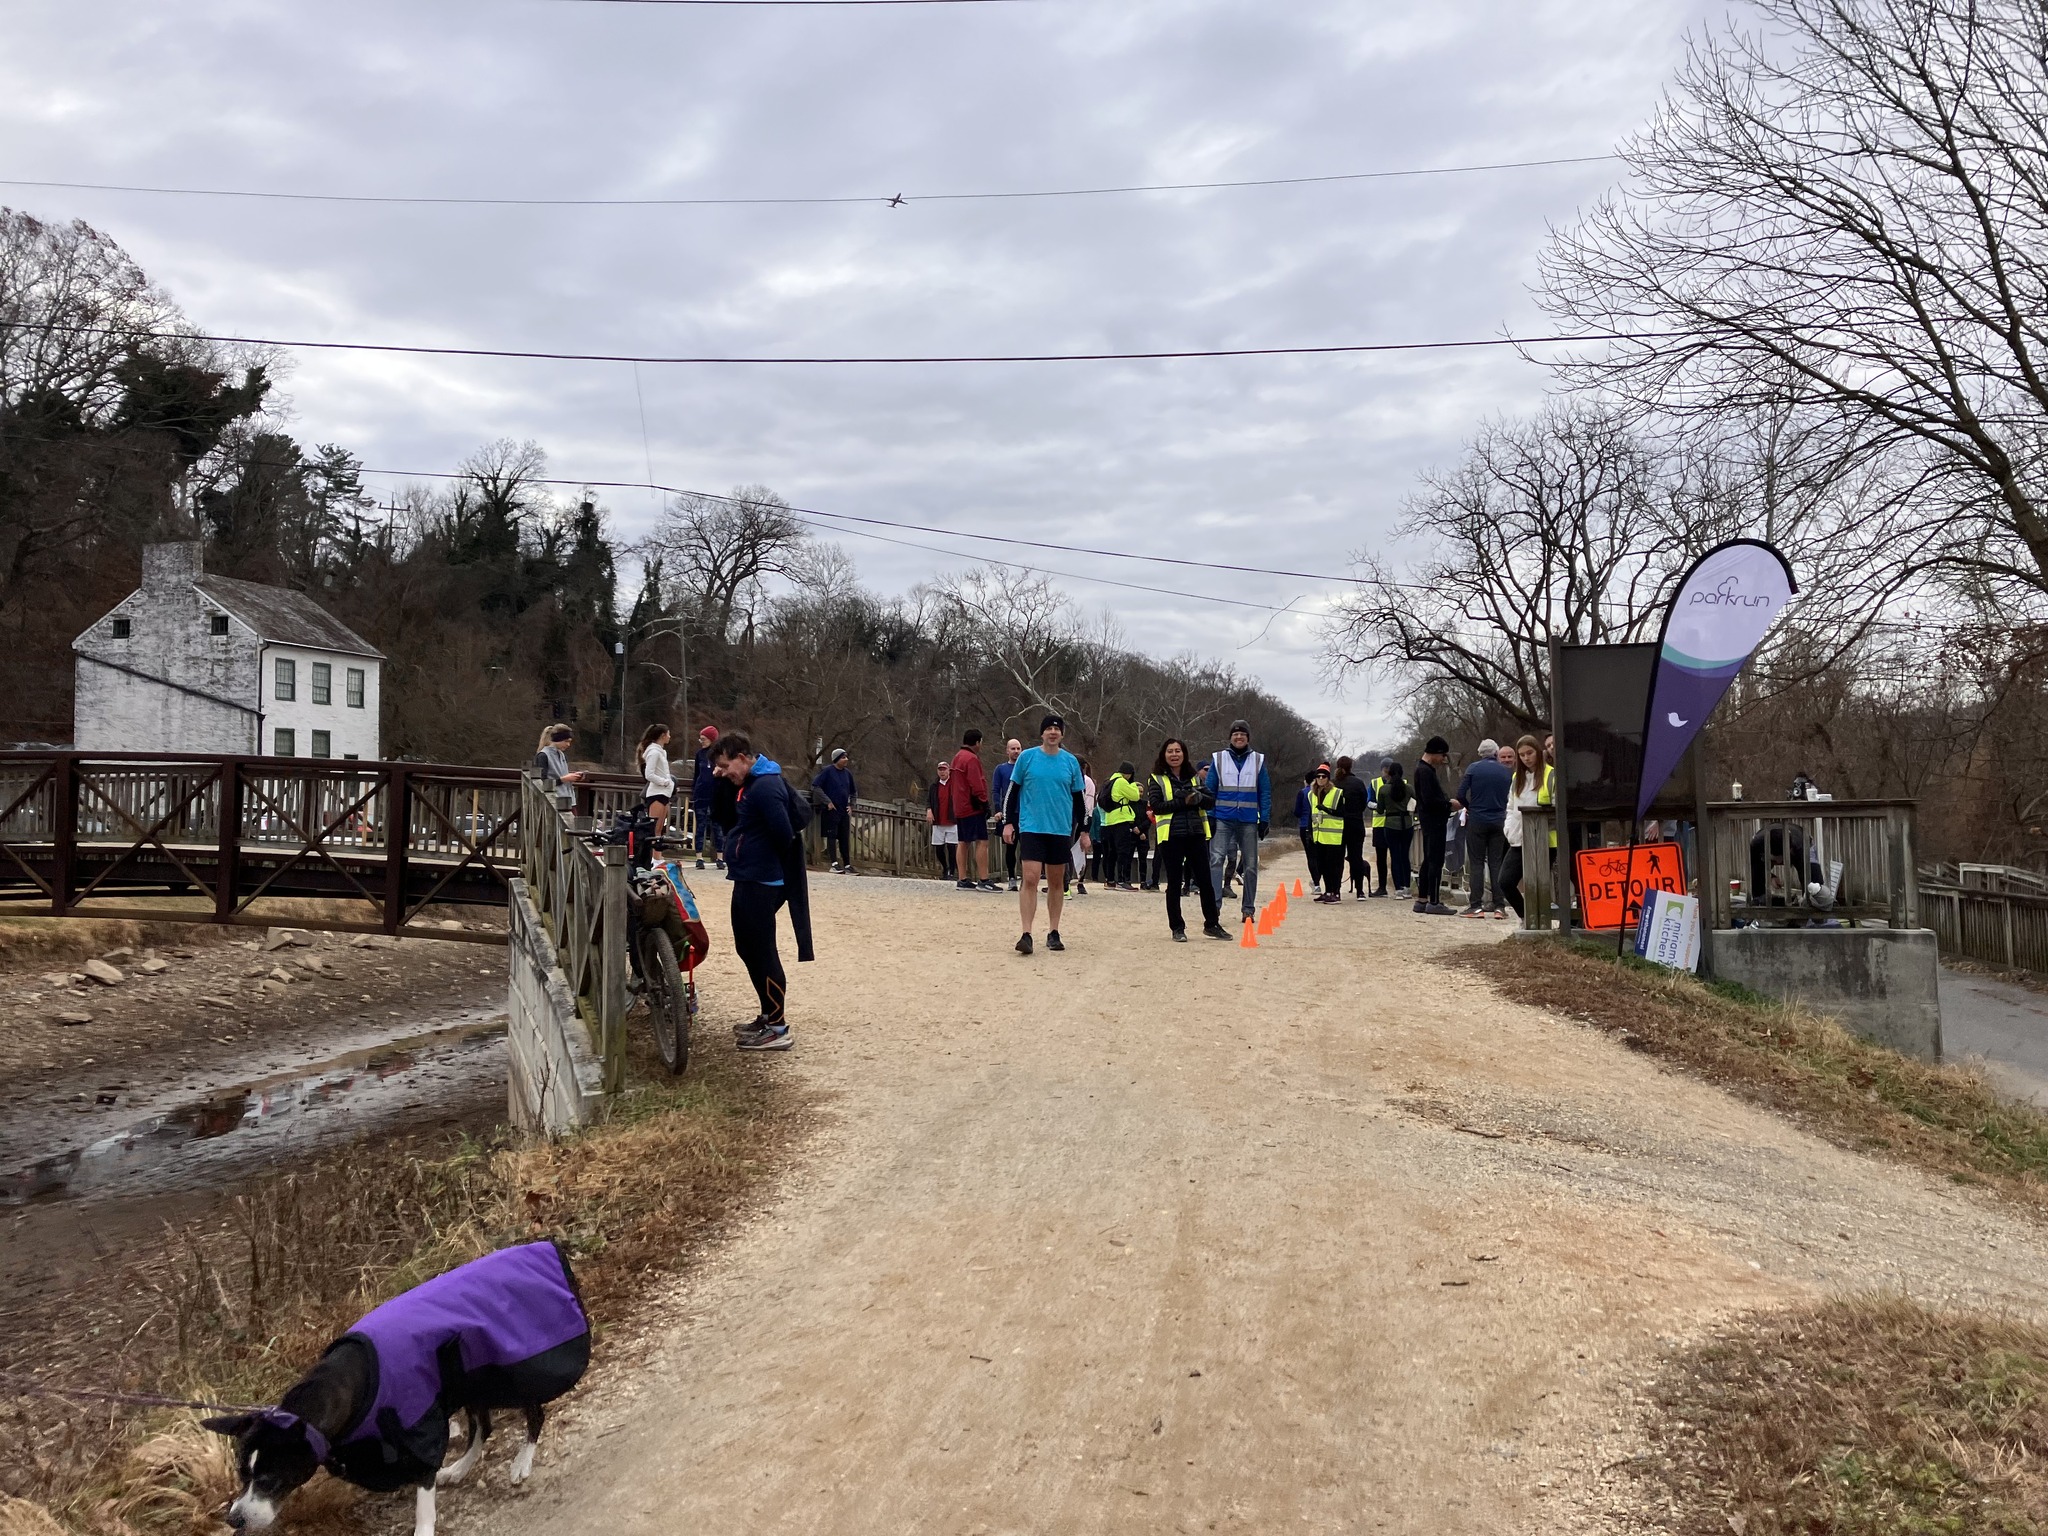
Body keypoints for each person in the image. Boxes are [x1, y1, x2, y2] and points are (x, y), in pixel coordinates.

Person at [712, 731, 814, 1051]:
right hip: (746, 877)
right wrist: (718, 778)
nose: (725, 772)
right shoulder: (748, 785)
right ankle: (768, 1015)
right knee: (746, 948)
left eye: (727, 765)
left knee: (763, 951)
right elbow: (726, 815)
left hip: (762, 882)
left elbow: (784, 834)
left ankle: (778, 1028)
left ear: (743, 758)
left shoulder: (767, 786)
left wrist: (760, 858)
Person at [1002, 714, 1089, 955]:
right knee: (1030, 878)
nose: (1053, 732)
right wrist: (1009, 823)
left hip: (1060, 829)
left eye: (1057, 729)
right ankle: (1026, 933)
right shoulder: (1027, 758)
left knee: (1055, 881)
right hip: (1031, 827)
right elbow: (1012, 792)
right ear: (1042, 733)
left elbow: (1079, 801)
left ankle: (1053, 931)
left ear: (1062, 734)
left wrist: (1084, 831)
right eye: (1048, 728)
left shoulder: (1070, 762)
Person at [1148, 738, 1228, 941]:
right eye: (1170, 751)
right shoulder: (1156, 778)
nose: (1174, 755)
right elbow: (1157, 807)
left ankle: (1212, 924)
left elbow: (1210, 801)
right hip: (1171, 835)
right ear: (1163, 755)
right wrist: (1182, 801)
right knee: (1174, 882)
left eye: (1178, 751)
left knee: (1205, 881)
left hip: (1196, 833)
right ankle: (1177, 927)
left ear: (1184, 754)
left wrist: (1198, 798)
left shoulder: (1195, 777)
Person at [1207, 719, 1271, 924]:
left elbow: (1265, 792)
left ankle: (1248, 910)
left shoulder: (1258, 760)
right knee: (1216, 861)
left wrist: (1265, 818)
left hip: (1248, 820)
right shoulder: (1218, 759)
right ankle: (1214, 907)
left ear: (1248, 737)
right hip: (1222, 818)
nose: (1239, 737)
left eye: (1242, 734)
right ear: (1230, 737)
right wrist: (1210, 816)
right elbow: (1209, 790)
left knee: (1251, 865)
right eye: (1235, 734)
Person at [1453, 737, 1513, 917]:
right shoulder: (1505, 772)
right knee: (1496, 863)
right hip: (1499, 820)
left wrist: (1469, 807)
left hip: (1477, 819)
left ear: (1480, 753)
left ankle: (1476, 906)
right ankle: (1499, 907)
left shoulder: (1473, 769)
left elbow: (1461, 794)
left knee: (1477, 863)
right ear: (1496, 753)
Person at [1501, 735, 1551, 921]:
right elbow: (1510, 806)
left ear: (1538, 752)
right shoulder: (1517, 777)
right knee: (1505, 881)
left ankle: (1543, 921)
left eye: (1529, 753)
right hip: (1518, 838)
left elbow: (1556, 806)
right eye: (1521, 755)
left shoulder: (1550, 775)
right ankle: (1528, 918)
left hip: (1545, 838)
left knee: (1540, 885)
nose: (1526, 758)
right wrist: (1509, 828)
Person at [949, 729, 997, 891]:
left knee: (963, 842)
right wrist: (984, 803)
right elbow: (976, 783)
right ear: (977, 742)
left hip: (959, 806)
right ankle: (984, 879)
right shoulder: (971, 759)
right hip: (972, 806)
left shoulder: (956, 758)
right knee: (982, 841)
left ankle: (962, 878)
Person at [1413, 736, 1454, 915]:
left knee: (1428, 859)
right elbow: (1430, 799)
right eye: (1442, 755)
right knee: (1436, 860)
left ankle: (1422, 899)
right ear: (1435, 753)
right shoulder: (1425, 772)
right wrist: (1448, 804)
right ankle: (1434, 901)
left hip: (1428, 820)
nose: (1443, 759)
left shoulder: (1422, 770)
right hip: (1434, 820)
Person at [1372, 758, 1413, 897]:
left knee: (1394, 856)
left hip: (1390, 824)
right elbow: (1415, 804)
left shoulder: (1383, 789)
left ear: (1389, 773)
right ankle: (1408, 887)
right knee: (1405, 856)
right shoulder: (1409, 788)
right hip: (1407, 823)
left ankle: (1398, 888)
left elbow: (1380, 809)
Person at [1101, 761, 1144, 889]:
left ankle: (1110, 880)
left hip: (1109, 819)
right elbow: (1135, 796)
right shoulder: (1121, 782)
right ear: (1129, 774)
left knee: (1111, 851)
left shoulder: (1109, 781)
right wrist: (1132, 786)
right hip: (1121, 819)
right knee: (1123, 850)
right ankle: (1122, 880)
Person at [1308, 763, 1346, 901]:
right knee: (1322, 866)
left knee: (1333, 866)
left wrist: (1326, 809)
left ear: (1328, 778)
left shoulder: (1337, 793)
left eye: (1323, 776)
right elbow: (1310, 814)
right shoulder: (1311, 794)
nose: (1320, 778)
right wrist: (1309, 832)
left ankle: (1335, 892)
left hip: (1333, 836)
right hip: (1319, 836)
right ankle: (1327, 891)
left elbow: (1342, 813)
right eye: (1318, 776)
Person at [815, 747, 857, 872]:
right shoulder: (827, 771)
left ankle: (848, 865)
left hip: (844, 809)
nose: (846, 759)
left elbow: (853, 792)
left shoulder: (847, 774)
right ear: (837, 759)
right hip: (831, 809)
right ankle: (834, 863)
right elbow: (816, 786)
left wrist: (852, 805)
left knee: (844, 837)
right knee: (831, 835)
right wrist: (827, 801)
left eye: (846, 757)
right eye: (843, 757)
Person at [1335, 755, 1371, 898]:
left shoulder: (1334, 784)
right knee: (1356, 858)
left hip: (1338, 825)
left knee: (1337, 858)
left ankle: (1336, 890)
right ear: (1351, 767)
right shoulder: (1358, 783)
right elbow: (1364, 804)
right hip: (1356, 824)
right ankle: (1360, 891)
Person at [991, 737, 1023, 891]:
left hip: (1026, 813)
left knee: (1028, 848)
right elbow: (996, 790)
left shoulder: (1026, 768)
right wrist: (998, 809)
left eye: (1018, 748)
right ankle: (1011, 878)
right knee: (1010, 847)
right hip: (1009, 813)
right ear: (1007, 751)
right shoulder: (1001, 769)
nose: (1016, 751)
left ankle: (1027, 878)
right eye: (1013, 749)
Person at [690, 725, 724, 871]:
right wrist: (694, 790)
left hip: (716, 794)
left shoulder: (720, 755)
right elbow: (696, 774)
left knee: (717, 826)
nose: (701, 741)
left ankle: (720, 857)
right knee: (700, 826)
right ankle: (699, 857)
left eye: (704, 739)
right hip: (701, 794)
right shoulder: (700, 754)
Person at [532, 724, 585, 812]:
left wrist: (573, 777)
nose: (568, 745)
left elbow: (561, 775)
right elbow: (541, 783)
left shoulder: (561, 754)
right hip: (553, 801)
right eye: (566, 741)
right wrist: (564, 779)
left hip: (568, 800)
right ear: (558, 739)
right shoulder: (543, 755)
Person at [637, 723, 675, 839]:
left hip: (664, 794)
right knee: (653, 831)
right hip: (656, 793)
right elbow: (649, 774)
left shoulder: (662, 752)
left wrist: (670, 783)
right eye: (668, 734)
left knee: (659, 831)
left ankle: (657, 857)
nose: (669, 737)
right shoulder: (653, 752)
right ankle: (652, 856)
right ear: (663, 735)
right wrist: (664, 782)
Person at [926, 759, 957, 880]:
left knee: (951, 847)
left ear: (949, 771)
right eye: (940, 770)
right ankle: (945, 868)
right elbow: (928, 799)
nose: (942, 772)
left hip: (952, 819)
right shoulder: (934, 786)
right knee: (938, 848)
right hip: (938, 820)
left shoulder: (954, 784)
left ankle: (952, 872)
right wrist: (929, 809)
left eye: (944, 770)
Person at [1293, 771, 1316, 863]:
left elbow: (1297, 812)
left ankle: (1315, 877)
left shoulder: (1302, 793)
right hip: (1318, 826)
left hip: (1305, 825)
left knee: (1310, 855)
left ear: (1306, 781)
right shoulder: (1321, 792)